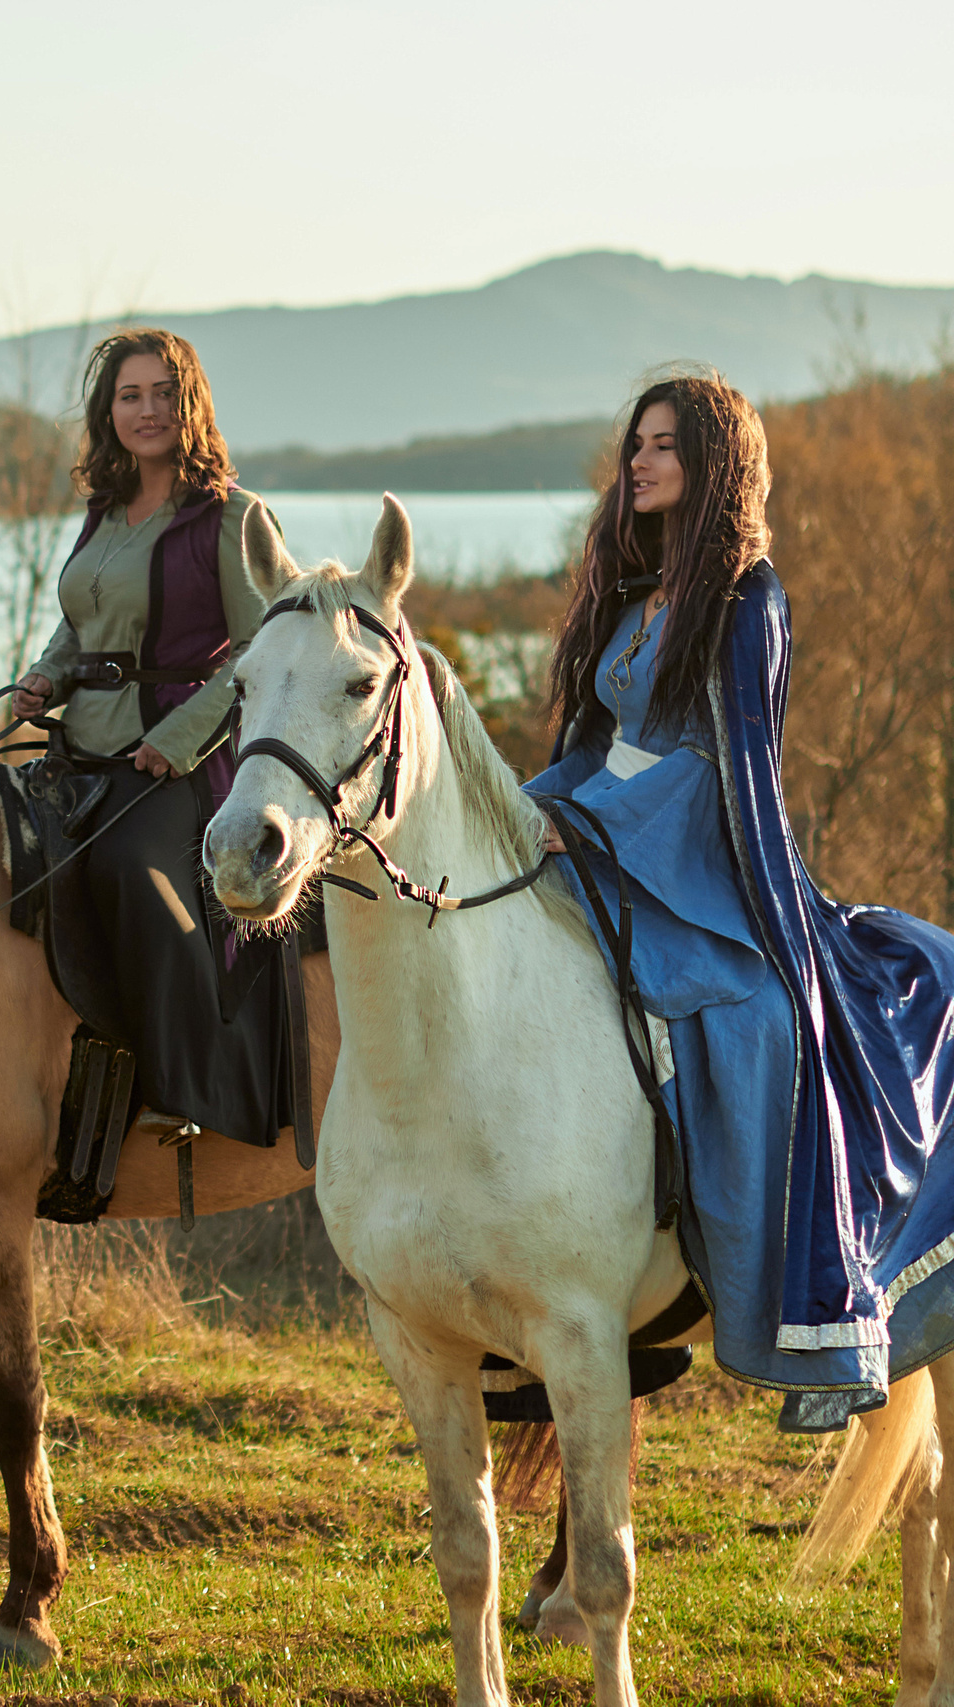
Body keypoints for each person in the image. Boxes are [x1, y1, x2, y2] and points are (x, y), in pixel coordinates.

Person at [529, 372, 954, 1431]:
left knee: (762, 1021)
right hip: (607, 840)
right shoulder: (632, 600)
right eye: (636, 444)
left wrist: (587, 820)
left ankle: (798, 1305)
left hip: (703, 867)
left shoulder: (746, 597)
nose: (639, 462)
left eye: (664, 446)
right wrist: (517, 808)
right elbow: (591, 747)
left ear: (715, 463)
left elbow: (723, 769)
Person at [12, 327, 297, 1152]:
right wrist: (44, 677)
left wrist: (178, 737)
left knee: (130, 872)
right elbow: (80, 629)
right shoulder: (103, 511)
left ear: (190, 404)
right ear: (109, 410)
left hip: (181, 760)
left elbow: (259, 649)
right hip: (82, 745)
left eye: (162, 394)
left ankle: (187, 1081)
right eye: (129, 395)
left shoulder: (234, 517)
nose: (146, 411)